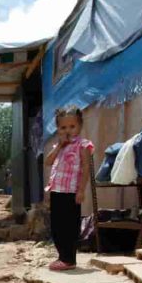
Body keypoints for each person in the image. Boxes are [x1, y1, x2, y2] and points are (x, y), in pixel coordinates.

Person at [45, 106, 94, 271]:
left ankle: (69, 259)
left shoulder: (83, 145)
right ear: (58, 129)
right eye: (63, 127)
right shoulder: (59, 145)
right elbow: (48, 162)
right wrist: (59, 146)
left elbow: (86, 168)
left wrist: (81, 190)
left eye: (72, 127)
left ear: (80, 126)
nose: (68, 130)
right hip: (57, 191)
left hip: (71, 192)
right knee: (56, 226)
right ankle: (62, 256)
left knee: (70, 226)